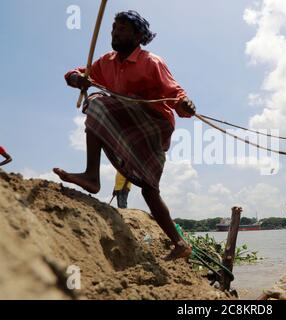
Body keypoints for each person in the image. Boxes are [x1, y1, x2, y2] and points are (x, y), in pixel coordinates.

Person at [53, 10, 195, 260]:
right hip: (126, 122)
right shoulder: (105, 62)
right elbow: (76, 73)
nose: (115, 33)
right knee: (149, 188)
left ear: (138, 35)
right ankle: (180, 244)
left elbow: (174, 93)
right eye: (113, 28)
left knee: (98, 103)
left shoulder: (151, 62)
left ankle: (91, 175)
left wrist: (184, 105)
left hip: (153, 124)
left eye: (122, 29)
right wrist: (77, 79)